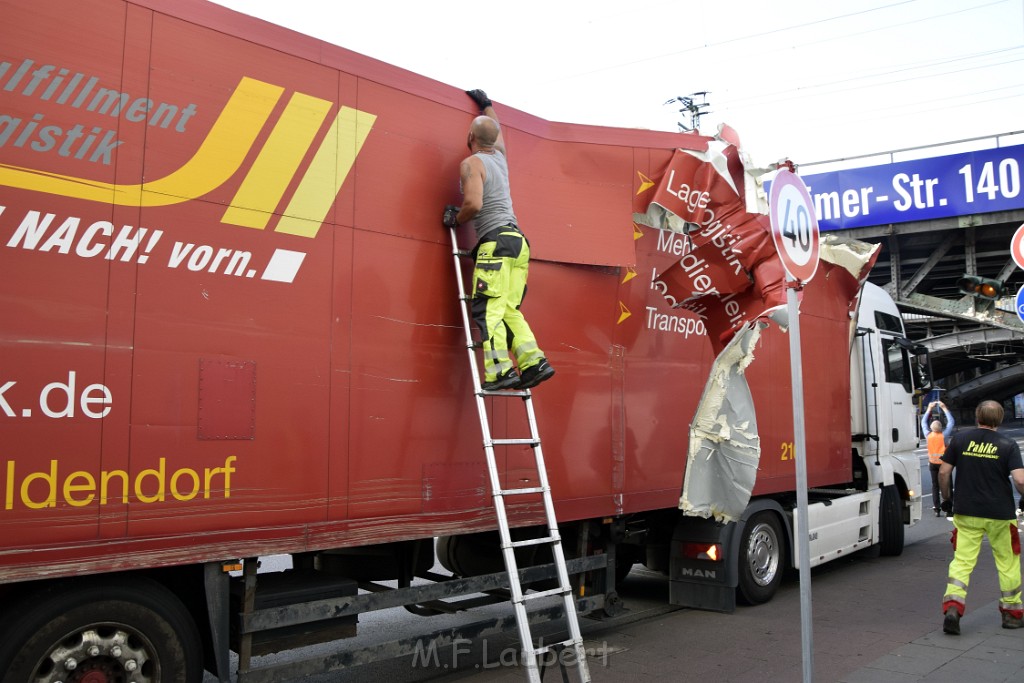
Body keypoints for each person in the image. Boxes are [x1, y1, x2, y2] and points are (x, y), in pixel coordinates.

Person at [442, 89, 554, 392]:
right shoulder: (499, 156)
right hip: (518, 244)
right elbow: (497, 132)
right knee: (507, 309)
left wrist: (456, 218)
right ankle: (533, 363)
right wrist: (487, 105)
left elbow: (474, 205)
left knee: (488, 309)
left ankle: (500, 372)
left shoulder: (472, 164)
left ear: (469, 136)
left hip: (495, 244)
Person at [938, 399, 1024, 635]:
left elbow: (944, 471)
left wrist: (947, 499)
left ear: (977, 416)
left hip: (966, 511)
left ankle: (953, 607)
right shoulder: (1008, 445)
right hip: (999, 514)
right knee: (1007, 562)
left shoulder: (961, 439)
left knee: (963, 561)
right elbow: (1020, 479)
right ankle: (1011, 614)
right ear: (1000, 419)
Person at [921, 400, 955, 516]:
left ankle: (936, 508)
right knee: (947, 485)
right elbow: (951, 422)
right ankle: (949, 509)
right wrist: (944, 407)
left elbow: (923, 422)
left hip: (932, 463)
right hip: (944, 464)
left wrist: (929, 409)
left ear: (931, 428)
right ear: (941, 428)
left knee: (935, 486)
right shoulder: (943, 436)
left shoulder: (928, 435)